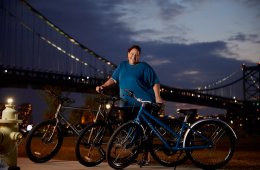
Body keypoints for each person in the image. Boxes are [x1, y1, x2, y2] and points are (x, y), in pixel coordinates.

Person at [96, 44, 163, 165]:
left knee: (145, 131)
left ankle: (145, 157)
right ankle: (133, 154)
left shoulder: (144, 67)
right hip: (126, 104)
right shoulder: (122, 66)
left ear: (139, 56)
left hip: (143, 104)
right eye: (132, 53)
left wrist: (158, 97)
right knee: (129, 130)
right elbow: (113, 79)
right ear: (127, 54)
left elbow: (155, 82)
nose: (134, 56)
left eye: (137, 54)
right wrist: (103, 86)